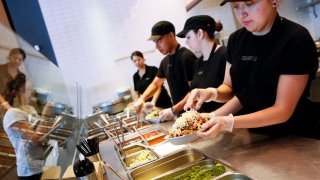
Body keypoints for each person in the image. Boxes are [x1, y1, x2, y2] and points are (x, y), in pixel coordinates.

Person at [184, 0, 319, 139]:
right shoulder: (236, 40)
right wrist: (211, 93)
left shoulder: (295, 38)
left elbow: (282, 110)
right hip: (256, 136)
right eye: (236, 6)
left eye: (250, 3)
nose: (242, 13)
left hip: (296, 136)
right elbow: (230, 89)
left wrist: (228, 122)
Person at [135, 21, 197, 122]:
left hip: (195, 114)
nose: (157, 46)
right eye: (155, 43)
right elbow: (156, 84)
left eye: (159, 41)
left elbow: (194, 91)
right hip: (181, 116)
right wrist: (142, 99)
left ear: (171, 35)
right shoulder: (165, 61)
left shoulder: (186, 57)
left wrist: (174, 110)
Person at [176, 15, 227, 112]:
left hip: (226, 122)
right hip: (204, 122)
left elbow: (233, 95)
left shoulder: (225, 54)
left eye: (188, 37)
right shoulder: (197, 63)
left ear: (200, 33)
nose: (186, 43)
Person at [3, 108, 46, 180]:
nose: (32, 96)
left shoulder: (25, 111)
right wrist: (45, 116)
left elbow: (39, 140)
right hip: (28, 167)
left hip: (35, 163)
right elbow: (36, 140)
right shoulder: (12, 113)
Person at [0, 48, 27, 116]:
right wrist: (4, 104)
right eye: (15, 58)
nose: (17, 61)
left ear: (22, 61)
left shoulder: (21, 76)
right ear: (9, 57)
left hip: (8, 108)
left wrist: (23, 106)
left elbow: (21, 94)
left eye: (20, 59)